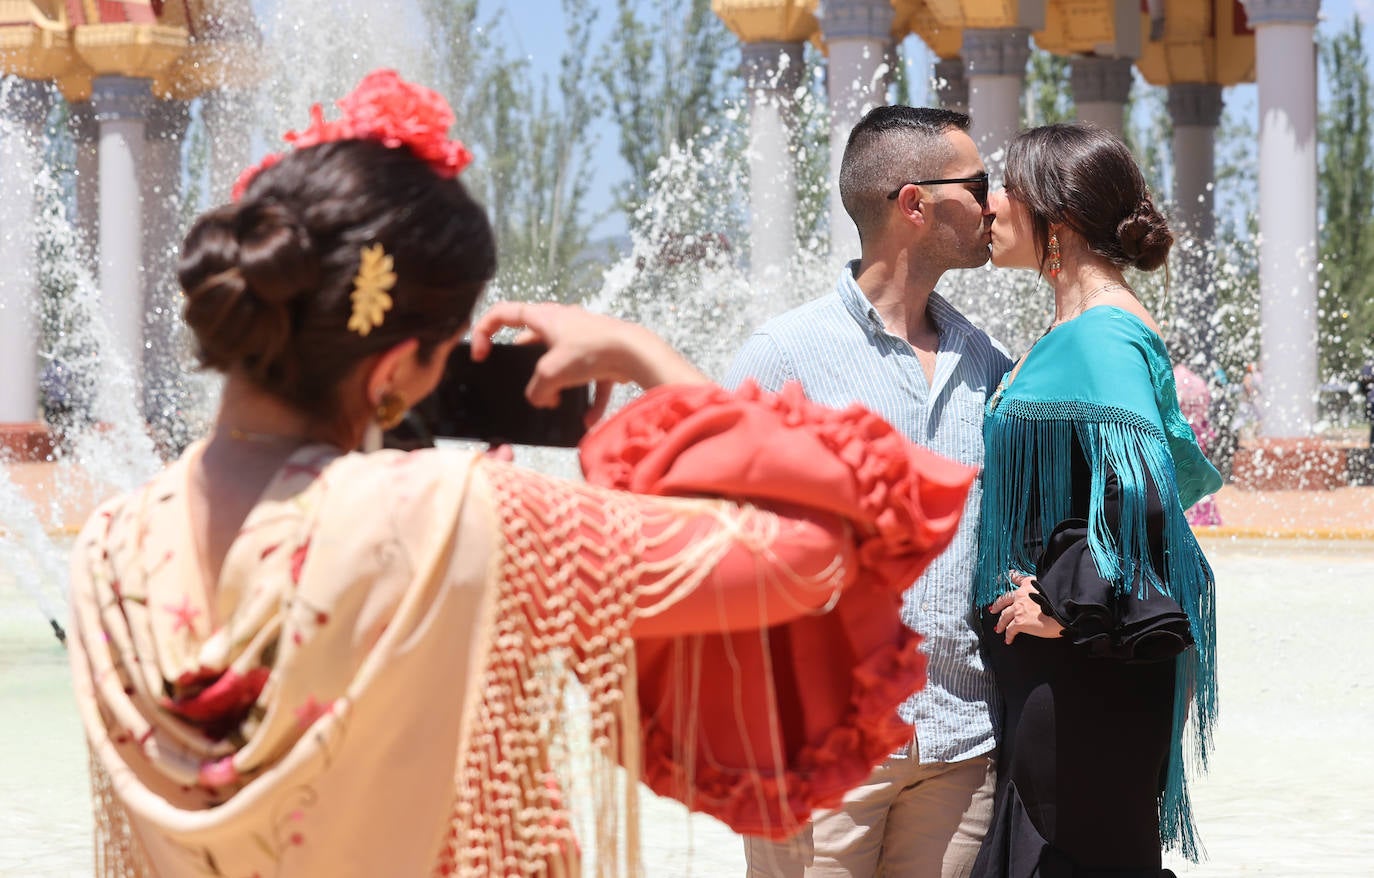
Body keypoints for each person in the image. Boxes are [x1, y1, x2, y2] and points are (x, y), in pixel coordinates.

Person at [65, 71, 982, 877]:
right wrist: (644, 355)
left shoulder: (110, 545)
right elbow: (812, 552)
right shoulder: (468, 519)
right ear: (395, 370)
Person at [726, 105, 1011, 877]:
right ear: (914, 204)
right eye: (979, 184)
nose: (996, 204)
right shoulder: (784, 355)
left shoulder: (986, 361)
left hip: (959, 746)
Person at [972, 123, 1222, 876]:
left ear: (1060, 216)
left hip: (1085, 668)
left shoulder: (1102, 332)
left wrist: (1061, 601)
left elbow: (1142, 487)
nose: (989, 205)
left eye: (1006, 187)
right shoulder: (1082, 325)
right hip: (1076, 665)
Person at [1172, 363, 1222, 527]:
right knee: (1200, 478)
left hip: (1178, 437)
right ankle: (1206, 517)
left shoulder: (1171, 377)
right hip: (1198, 435)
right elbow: (1205, 411)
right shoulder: (1199, 381)